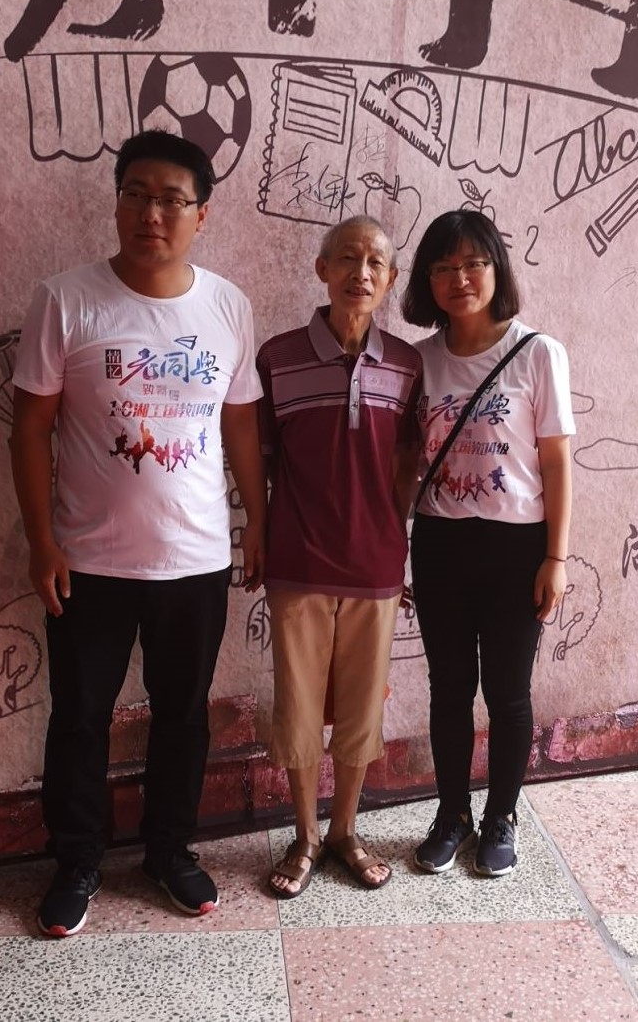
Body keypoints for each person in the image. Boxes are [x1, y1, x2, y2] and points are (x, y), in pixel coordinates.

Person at [10, 130, 266, 936]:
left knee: (183, 714)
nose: (152, 213)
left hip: (196, 556)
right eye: (137, 195)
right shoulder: (65, 299)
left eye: (171, 200)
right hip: (88, 558)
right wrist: (42, 541)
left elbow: (241, 424)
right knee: (80, 715)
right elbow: (30, 428)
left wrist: (257, 520)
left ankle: (169, 849)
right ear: (118, 202)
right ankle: (77, 859)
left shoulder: (228, 306)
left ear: (201, 214)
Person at [402, 210, 574, 878]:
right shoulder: (419, 360)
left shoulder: (538, 353)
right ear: (426, 280)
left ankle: (501, 816)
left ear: (497, 268)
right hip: (440, 542)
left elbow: (556, 462)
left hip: (517, 547)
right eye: (443, 267)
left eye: (473, 263)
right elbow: (406, 461)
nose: (460, 278)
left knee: (507, 691)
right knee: (449, 687)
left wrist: (556, 557)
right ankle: (452, 814)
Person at [256, 216, 422, 898]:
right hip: (297, 559)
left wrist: (393, 527)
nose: (361, 272)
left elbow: (408, 461)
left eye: (376, 262)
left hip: (375, 565)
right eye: (348, 258)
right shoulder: (278, 357)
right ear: (322, 269)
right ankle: (304, 834)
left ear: (391, 279)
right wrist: (258, 531)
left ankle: (345, 830)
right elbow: (261, 459)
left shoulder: (407, 365)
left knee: (361, 710)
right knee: (298, 706)